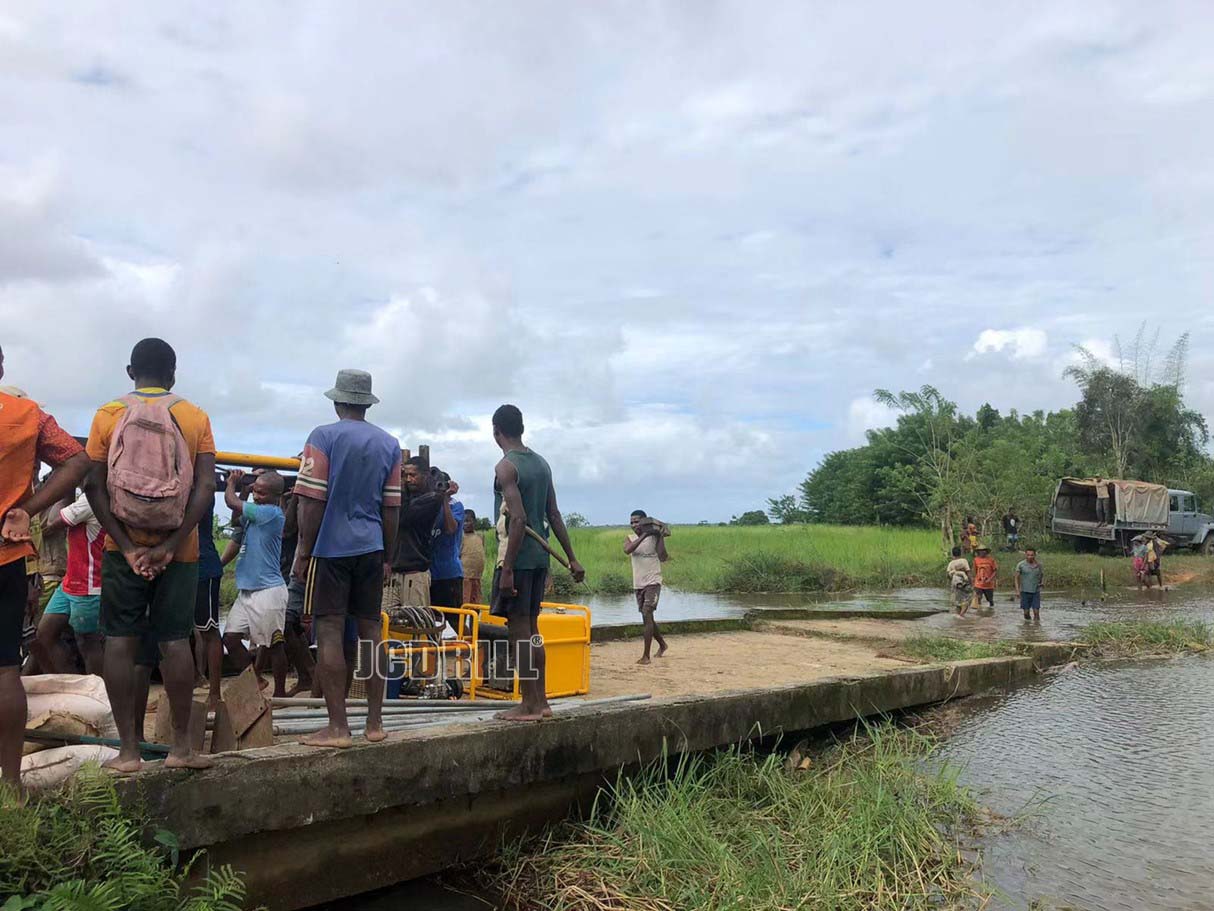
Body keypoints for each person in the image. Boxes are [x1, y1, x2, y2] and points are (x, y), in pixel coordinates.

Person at [83, 337, 216, 772]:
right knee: (175, 641)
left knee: (120, 642)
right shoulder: (194, 416)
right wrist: (170, 545)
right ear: (173, 373)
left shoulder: (108, 414)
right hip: (181, 552)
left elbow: (93, 486)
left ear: (130, 372)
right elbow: (206, 488)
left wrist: (127, 545)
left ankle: (129, 752)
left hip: (123, 550)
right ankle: (181, 749)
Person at [292, 369, 400, 748]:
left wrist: (304, 551)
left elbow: (310, 501)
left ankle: (338, 727)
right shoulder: (389, 444)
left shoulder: (322, 437)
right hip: (372, 547)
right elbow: (392, 508)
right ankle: (374, 723)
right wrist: (387, 555)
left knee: (330, 633)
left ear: (338, 402)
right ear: (366, 404)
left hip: (331, 549)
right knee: (372, 632)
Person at [0, 353, 90, 787]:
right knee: (5, 673)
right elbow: (77, 459)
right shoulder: (28, 416)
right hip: (7, 557)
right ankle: (12, 785)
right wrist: (25, 509)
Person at [490, 404, 585, 722]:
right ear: (522, 429)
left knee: (520, 632)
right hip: (539, 560)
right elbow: (553, 514)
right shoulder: (541, 464)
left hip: (517, 560)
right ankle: (541, 701)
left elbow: (517, 519)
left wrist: (507, 569)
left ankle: (529, 704)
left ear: (496, 431)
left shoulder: (507, 466)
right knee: (532, 631)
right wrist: (571, 557)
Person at [223, 469, 289, 696]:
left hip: (268, 590)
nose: (256, 496)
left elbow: (230, 503)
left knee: (274, 644)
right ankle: (257, 679)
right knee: (230, 639)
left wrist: (232, 483)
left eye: (261, 493)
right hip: (248, 590)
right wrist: (244, 490)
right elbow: (235, 519)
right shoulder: (254, 513)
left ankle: (280, 692)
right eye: (255, 492)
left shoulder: (271, 513)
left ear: (274, 495)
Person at [31, 491, 107, 675]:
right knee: (45, 634)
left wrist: (67, 487)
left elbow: (52, 522)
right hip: (71, 582)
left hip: (88, 584)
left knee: (88, 643)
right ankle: (73, 682)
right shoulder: (88, 498)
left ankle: (98, 695)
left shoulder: (90, 500)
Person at [385, 457, 446, 621]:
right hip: (394, 573)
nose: (408, 479)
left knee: (418, 626)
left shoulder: (432, 498)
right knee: (384, 621)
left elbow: (403, 516)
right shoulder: (404, 496)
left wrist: (398, 485)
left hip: (415, 572)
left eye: (413, 475)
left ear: (425, 476)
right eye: (405, 475)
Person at [624, 509, 668, 664]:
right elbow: (627, 550)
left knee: (647, 612)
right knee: (647, 617)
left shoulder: (655, 538)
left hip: (653, 581)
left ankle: (646, 656)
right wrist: (644, 535)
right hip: (638, 583)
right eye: (631, 522)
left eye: (637, 521)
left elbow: (663, 557)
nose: (634, 524)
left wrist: (660, 537)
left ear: (644, 522)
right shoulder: (630, 538)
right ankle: (662, 644)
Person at [194, 495, 224, 706]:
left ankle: (214, 694)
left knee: (209, 631)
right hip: (182, 566)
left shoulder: (201, 486)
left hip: (203, 566)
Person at [429, 471, 465, 623]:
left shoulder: (455, 506)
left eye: (442, 485)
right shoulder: (427, 504)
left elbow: (451, 528)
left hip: (448, 574)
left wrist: (444, 499)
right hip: (429, 574)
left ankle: (468, 646)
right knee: (430, 620)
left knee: (455, 621)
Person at [461, 511, 486, 605]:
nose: (465, 524)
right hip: (465, 576)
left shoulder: (480, 536)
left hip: (477, 576)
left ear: (474, 521)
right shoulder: (461, 537)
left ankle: (474, 619)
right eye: (463, 521)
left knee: (476, 601)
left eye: (468, 521)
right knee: (465, 600)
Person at [1014, 548, 1044, 622]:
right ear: (1025, 555)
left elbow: (1041, 575)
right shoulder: (1021, 565)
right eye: (1028, 555)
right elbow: (1016, 578)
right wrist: (1017, 591)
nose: (1030, 557)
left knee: (1036, 612)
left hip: (1035, 592)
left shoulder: (1039, 565)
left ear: (1035, 555)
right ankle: (1028, 629)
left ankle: (1036, 628)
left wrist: (1041, 583)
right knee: (1026, 613)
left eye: (1032, 555)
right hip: (1024, 591)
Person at [970, 545, 997, 613]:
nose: (982, 552)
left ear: (986, 551)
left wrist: (990, 579)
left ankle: (991, 610)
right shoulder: (976, 560)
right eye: (981, 551)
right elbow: (974, 571)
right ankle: (979, 612)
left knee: (990, 600)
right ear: (978, 552)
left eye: (984, 550)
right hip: (979, 583)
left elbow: (995, 571)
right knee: (978, 598)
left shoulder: (991, 560)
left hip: (989, 584)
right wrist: (974, 581)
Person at [945, 546, 972, 615]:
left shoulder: (951, 563)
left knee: (957, 601)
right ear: (960, 553)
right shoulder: (964, 561)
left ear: (952, 554)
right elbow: (968, 572)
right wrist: (971, 582)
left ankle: (958, 617)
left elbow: (948, 575)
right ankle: (961, 615)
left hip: (955, 582)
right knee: (967, 600)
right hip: (963, 580)